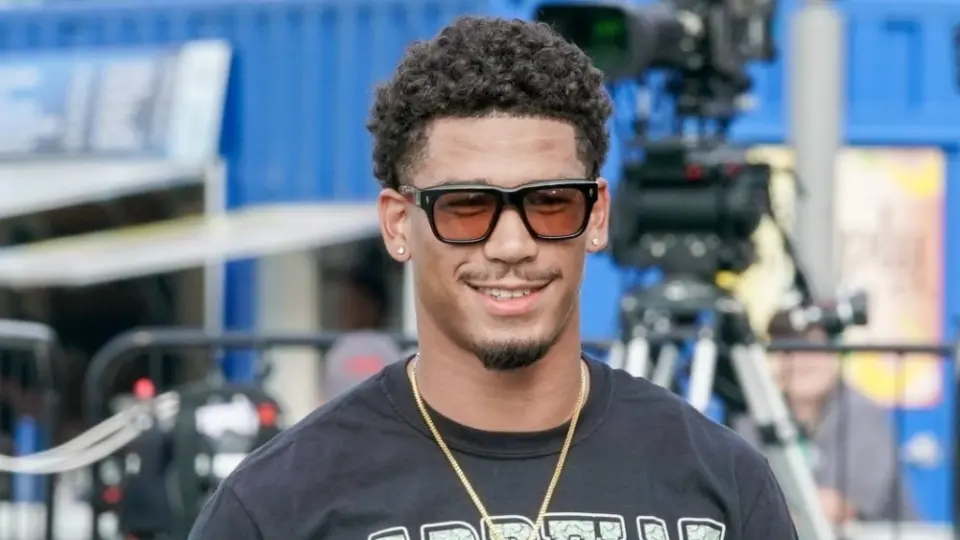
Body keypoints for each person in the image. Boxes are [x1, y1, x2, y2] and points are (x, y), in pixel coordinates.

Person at [188, 16, 796, 540]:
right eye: (467, 207)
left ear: (597, 216)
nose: (512, 244)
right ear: (399, 223)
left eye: (551, 202)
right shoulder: (277, 506)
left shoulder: (723, 485)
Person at [733, 326, 916, 524]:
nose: (799, 361)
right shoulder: (753, 418)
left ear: (835, 355)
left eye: (811, 348)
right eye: (787, 349)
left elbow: (834, 508)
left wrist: (760, 517)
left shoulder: (862, 413)